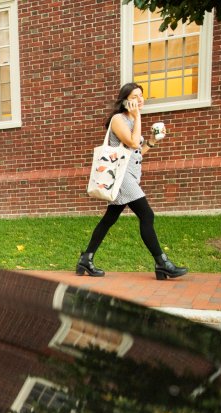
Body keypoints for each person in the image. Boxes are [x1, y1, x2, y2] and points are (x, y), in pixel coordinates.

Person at [77, 83, 187, 280]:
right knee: (147, 215)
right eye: (135, 96)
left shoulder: (131, 119)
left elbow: (136, 151)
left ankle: (86, 258)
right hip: (122, 177)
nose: (140, 99)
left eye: (142, 95)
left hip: (130, 174)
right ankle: (162, 263)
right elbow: (133, 142)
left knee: (109, 218)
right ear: (126, 100)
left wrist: (152, 141)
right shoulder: (119, 119)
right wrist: (137, 117)